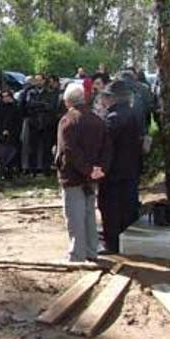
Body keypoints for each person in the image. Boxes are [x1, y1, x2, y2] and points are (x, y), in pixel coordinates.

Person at [56, 83, 109, 262]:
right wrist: (98, 169)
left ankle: (76, 254)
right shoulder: (97, 120)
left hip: (72, 176)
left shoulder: (67, 120)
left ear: (67, 101)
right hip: (93, 176)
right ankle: (91, 251)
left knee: (74, 217)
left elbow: (69, 150)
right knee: (89, 215)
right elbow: (107, 147)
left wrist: (86, 169)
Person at [97, 81, 143, 254]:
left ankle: (112, 243)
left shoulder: (113, 118)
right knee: (127, 206)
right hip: (130, 169)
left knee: (110, 207)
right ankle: (125, 240)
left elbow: (105, 144)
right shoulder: (132, 113)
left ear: (111, 98)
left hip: (114, 172)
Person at [0, 89, 22, 179]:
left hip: (12, 134)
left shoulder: (15, 107)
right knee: (2, 154)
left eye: (7, 96)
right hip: (0, 134)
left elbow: (18, 121)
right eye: (3, 96)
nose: (5, 98)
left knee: (11, 152)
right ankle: (3, 171)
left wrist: (10, 130)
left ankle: (10, 171)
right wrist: (2, 130)